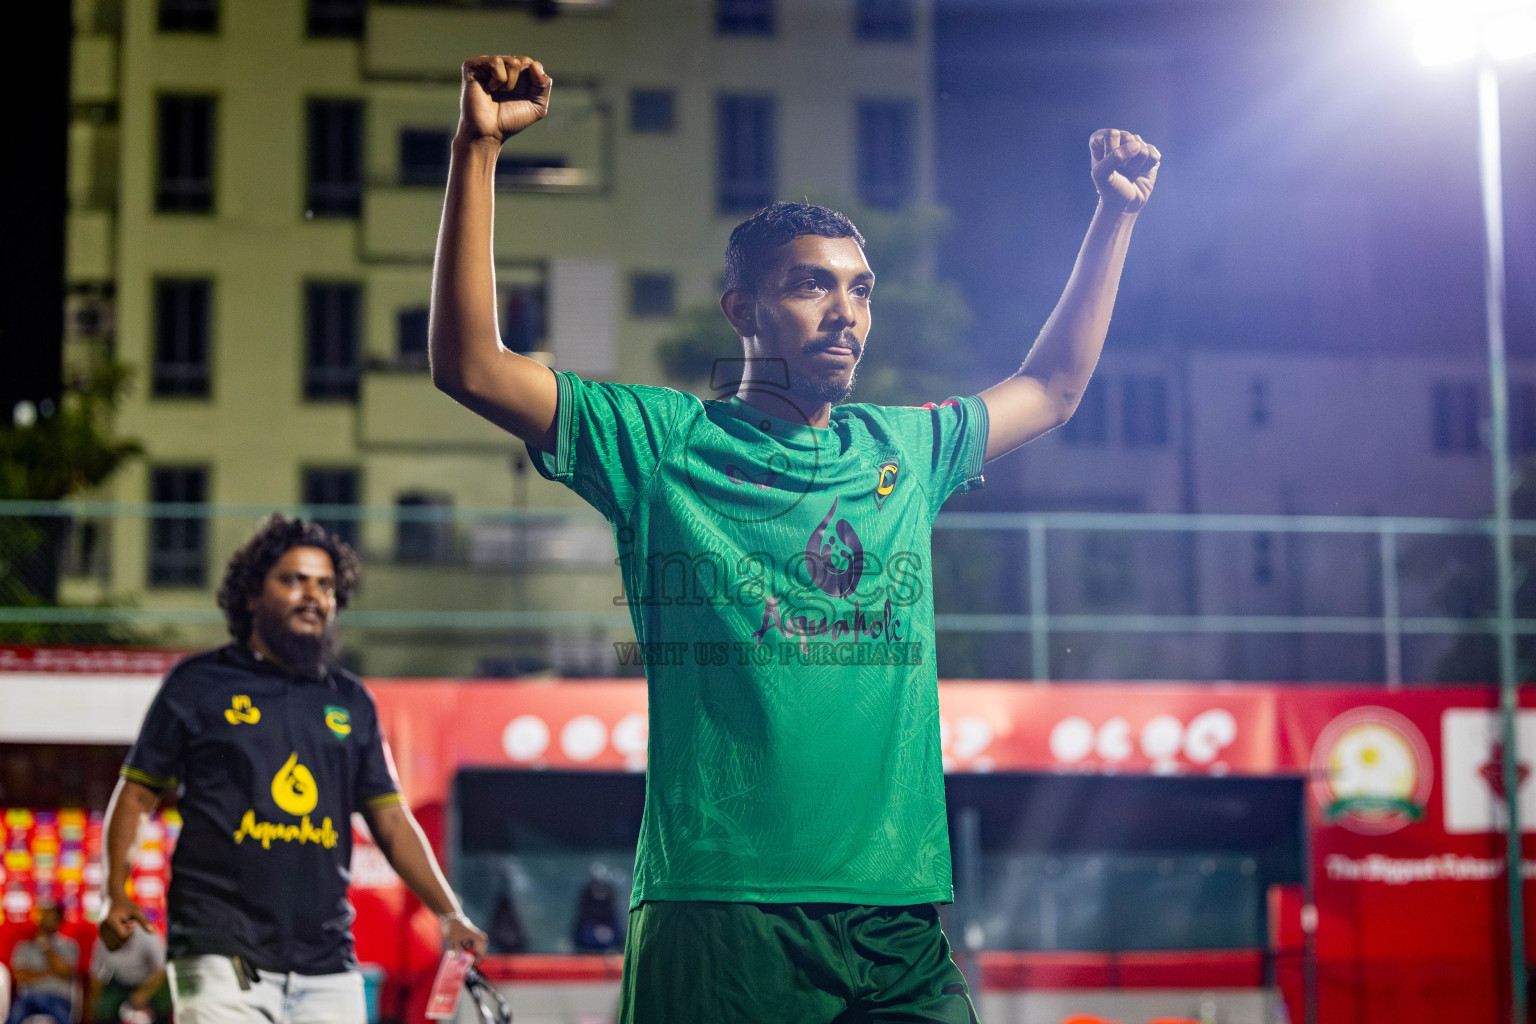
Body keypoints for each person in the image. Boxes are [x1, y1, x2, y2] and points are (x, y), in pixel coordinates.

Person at [429, 54, 1159, 1023]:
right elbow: (470, 363)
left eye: (859, 289)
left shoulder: (907, 446)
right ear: (743, 311)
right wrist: (478, 147)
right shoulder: (659, 443)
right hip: (722, 910)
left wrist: (1115, 216)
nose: (845, 312)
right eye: (813, 288)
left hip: (897, 913)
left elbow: (1055, 387)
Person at [97, 515, 489, 1024]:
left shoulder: (351, 700)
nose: (313, 595)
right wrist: (115, 891)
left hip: (327, 963)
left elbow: (392, 821)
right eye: (293, 580)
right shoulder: (198, 684)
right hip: (218, 952)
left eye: (325, 585)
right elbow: (136, 795)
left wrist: (449, 911)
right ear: (253, 595)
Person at [6, 903, 77, 1024]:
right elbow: (20, 976)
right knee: (13, 1018)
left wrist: (46, 946)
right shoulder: (24, 946)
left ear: (59, 921)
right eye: (44, 917)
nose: (46, 921)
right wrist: (51, 973)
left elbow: (64, 972)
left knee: (64, 1019)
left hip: (57, 997)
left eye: (51, 918)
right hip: (27, 997)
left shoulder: (69, 945)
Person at [87, 924, 168, 1024]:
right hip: (121, 982)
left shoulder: (147, 934)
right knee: (104, 1009)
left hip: (150, 981)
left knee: (163, 1005)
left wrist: (143, 993)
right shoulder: (104, 940)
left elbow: (162, 970)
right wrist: (93, 1003)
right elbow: (96, 975)